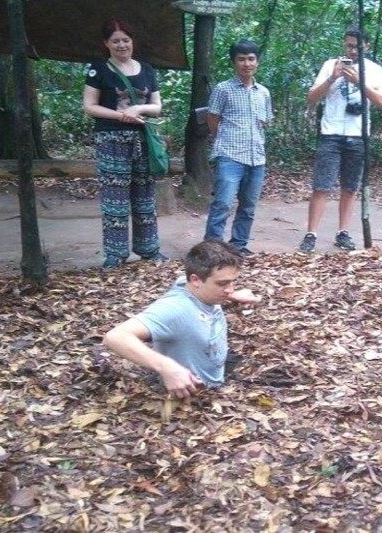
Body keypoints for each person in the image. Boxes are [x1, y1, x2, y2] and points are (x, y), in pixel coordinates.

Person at [103, 240, 261, 398]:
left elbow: (189, 280)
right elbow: (115, 337)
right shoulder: (176, 309)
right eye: (222, 284)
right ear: (196, 280)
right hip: (196, 395)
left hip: (218, 375)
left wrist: (234, 296)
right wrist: (166, 367)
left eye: (233, 282)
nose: (229, 289)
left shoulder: (188, 284)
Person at [83, 19, 167, 269]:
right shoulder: (98, 70)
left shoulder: (147, 70)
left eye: (126, 40)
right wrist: (121, 115)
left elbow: (157, 106)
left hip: (143, 139)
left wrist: (139, 107)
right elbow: (89, 106)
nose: (121, 45)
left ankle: (149, 249)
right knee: (114, 198)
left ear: (133, 42)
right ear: (106, 44)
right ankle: (115, 254)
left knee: (144, 196)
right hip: (111, 139)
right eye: (116, 40)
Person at [298, 27, 382, 253]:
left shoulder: (374, 70)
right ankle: (311, 234)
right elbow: (311, 98)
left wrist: (360, 82)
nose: (352, 50)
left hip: (358, 135)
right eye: (348, 45)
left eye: (357, 46)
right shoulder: (331, 65)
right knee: (322, 185)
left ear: (366, 46)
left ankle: (343, 232)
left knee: (350, 187)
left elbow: (381, 102)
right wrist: (333, 77)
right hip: (331, 134)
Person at [204, 40, 274, 257]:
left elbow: (266, 121)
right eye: (241, 59)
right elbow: (212, 118)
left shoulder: (263, 92)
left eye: (251, 58)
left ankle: (238, 245)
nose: (247, 63)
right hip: (230, 155)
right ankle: (213, 248)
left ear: (257, 62)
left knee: (248, 205)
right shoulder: (223, 89)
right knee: (223, 203)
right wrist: (222, 140)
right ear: (234, 62)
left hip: (257, 157)